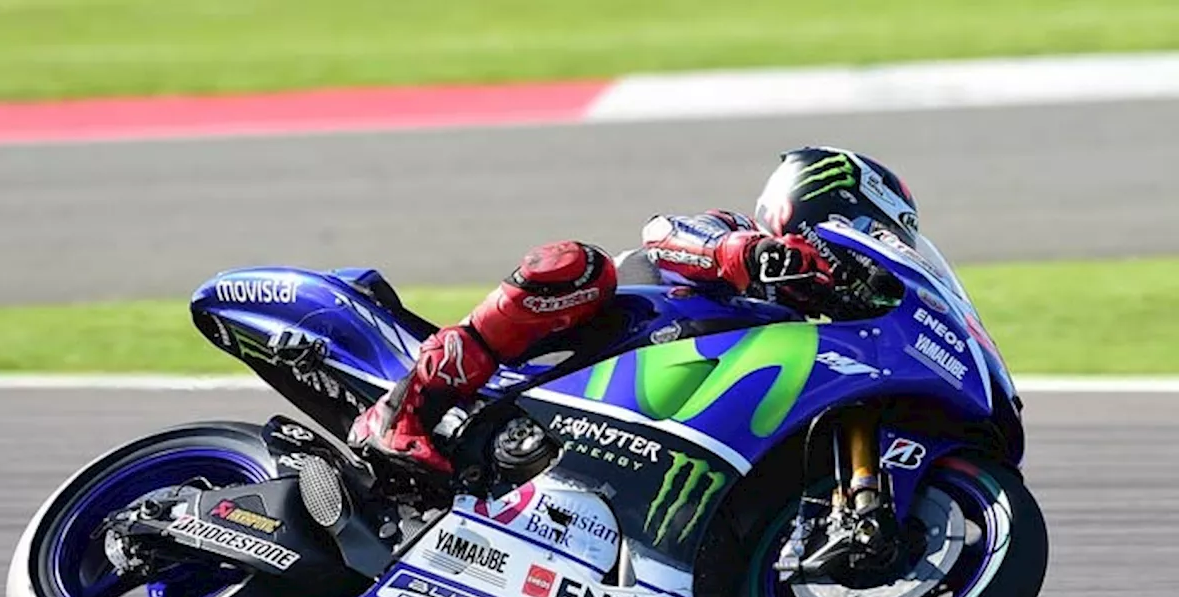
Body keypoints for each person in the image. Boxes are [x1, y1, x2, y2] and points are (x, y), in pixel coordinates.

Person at [349, 146, 920, 475]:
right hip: (572, 352)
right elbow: (661, 231)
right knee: (575, 265)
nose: (875, 253)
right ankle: (407, 409)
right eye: (870, 230)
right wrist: (749, 254)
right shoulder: (736, 235)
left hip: (631, 432)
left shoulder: (802, 334)